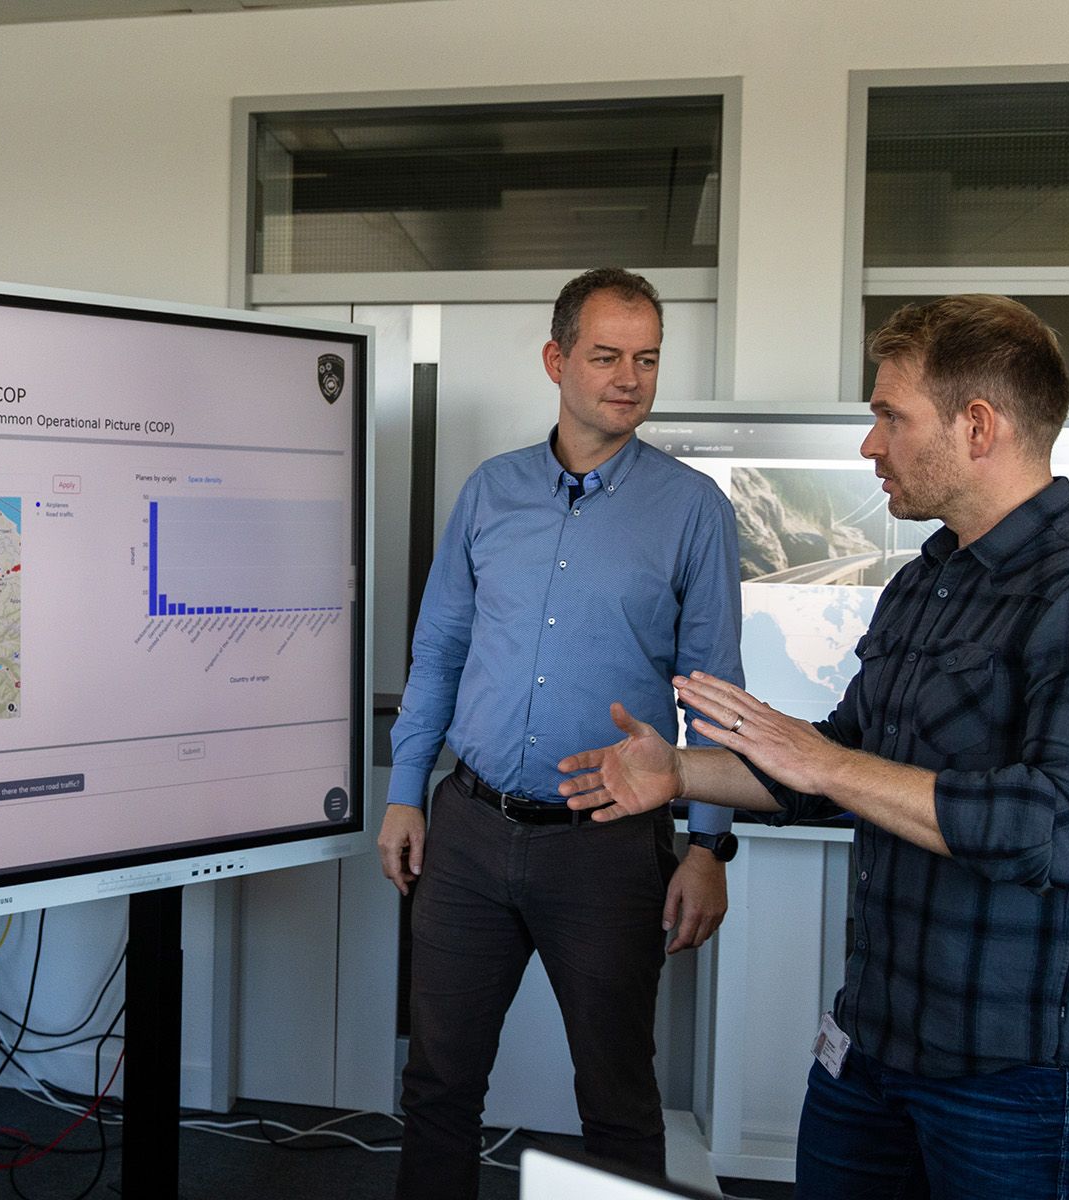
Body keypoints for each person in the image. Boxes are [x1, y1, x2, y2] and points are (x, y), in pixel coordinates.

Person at [556, 294, 1069, 1199]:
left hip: (1025, 1078)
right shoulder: (927, 581)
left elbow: (1062, 830)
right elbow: (841, 766)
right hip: (876, 1046)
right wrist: (678, 773)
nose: (870, 445)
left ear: (977, 427)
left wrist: (821, 760)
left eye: (889, 416)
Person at [378, 267, 744, 1198]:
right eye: (607, 355)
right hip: (469, 833)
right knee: (439, 1084)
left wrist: (708, 849)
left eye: (648, 359)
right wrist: (405, 793)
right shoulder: (490, 492)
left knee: (617, 1101)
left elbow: (715, 690)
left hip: (610, 852)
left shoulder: (692, 508)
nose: (629, 377)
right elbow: (440, 651)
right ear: (556, 359)